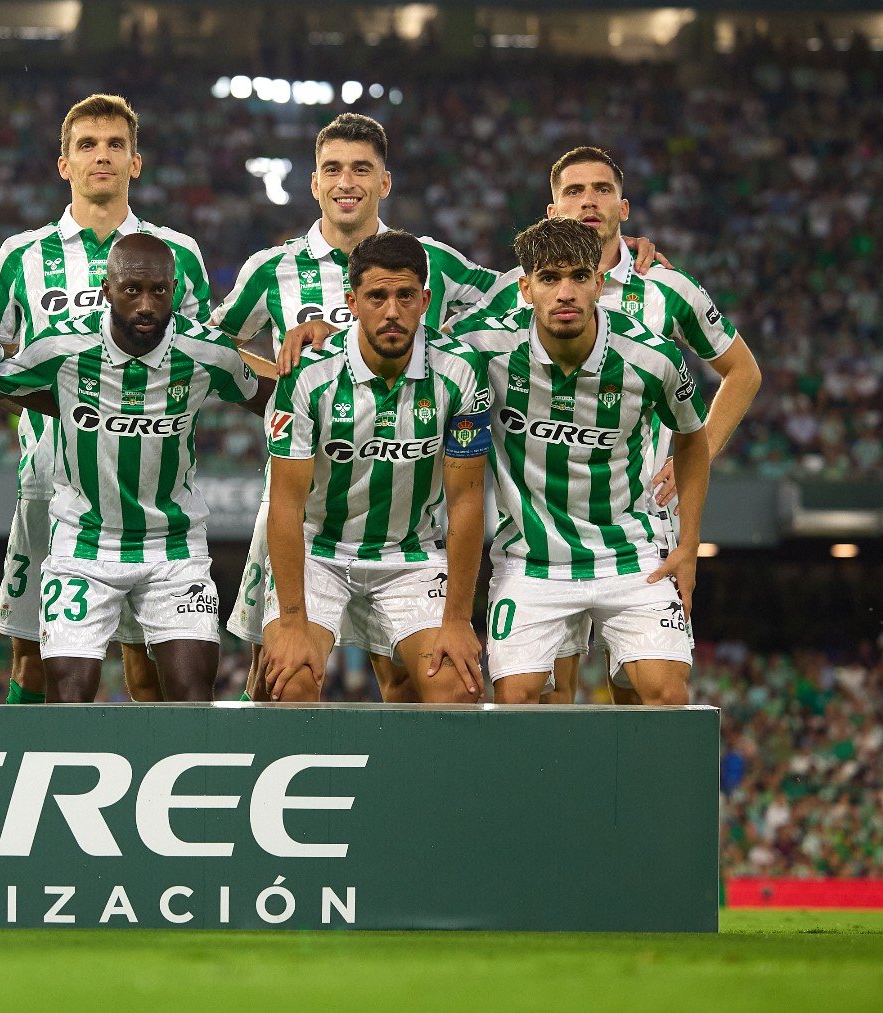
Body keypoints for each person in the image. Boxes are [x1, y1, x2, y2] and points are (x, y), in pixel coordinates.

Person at [455, 146, 759, 703]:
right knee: (553, 697)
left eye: (601, 189)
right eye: (573, 191)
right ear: (551, 212)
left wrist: (698, 454)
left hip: (639, 524)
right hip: (536, 535)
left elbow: (742, 373)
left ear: (624, 207)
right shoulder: (512, 292)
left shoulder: (667, 289)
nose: (588, 200)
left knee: (642, 698)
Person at [213, 113, 497, 700]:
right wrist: (277, 379)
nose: (347, 181)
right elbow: (216, 343)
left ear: (385, 182)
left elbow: (529, 298)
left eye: (361, 168)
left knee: (404, 681)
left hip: (407, 509)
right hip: (306, 504)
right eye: (333, 169)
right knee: (278, 679)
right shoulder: (274, 268)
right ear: (314, 184)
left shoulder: (432, 263)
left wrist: (617, 256)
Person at [0, 93, 210, 704]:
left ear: (137, 163)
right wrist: (50, 401)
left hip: (150, 491)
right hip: (49, 484)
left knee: (148, 668)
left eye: (115, 145)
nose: (101, 156)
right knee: (32, 658)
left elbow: (200, 358)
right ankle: (30, 779)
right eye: (87, 145)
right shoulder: (23, 256)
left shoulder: (177, 254)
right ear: (65, 164)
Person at [0, 234, 264, 702]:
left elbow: (264, 397)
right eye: (132, 289)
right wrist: (61, 403)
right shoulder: (62, 345)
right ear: (106, 289)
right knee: (69, 696)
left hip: (174, 548)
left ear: (175, 290)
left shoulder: (209, 352)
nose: (146, 303)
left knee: (191, 697)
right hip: (83, 543)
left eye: (159, 290)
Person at [253, 231, 489, 705]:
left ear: (425, 300)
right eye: (376, 296)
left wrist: (459, 621)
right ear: (352, 302)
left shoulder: (461, 370)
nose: (392, 311)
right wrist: (294, 623)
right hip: (318, 549)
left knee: (456, 688)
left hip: (410, 553)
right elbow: (285, 504)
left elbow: (466, 500)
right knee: (289, 683)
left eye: (405, 296)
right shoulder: (308, 374)